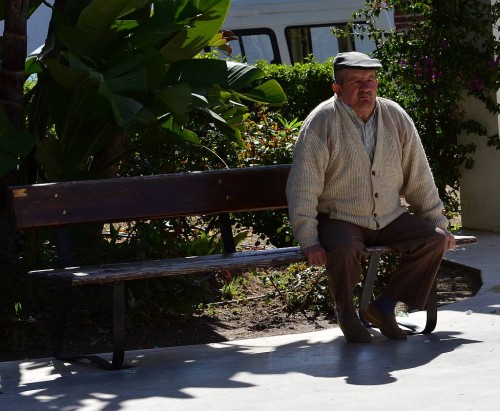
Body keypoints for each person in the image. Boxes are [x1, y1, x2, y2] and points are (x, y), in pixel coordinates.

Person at [286, 51, 456, 343]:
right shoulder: (321, 122)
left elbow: (419, 175)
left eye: (371, 80)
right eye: (356, 82)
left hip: (389, 216)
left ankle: (384, 308)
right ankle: (347, 314)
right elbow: (303, 184)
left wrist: (438, 221)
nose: (366, 88)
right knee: (342, 248)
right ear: (337, 88)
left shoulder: (395, 116)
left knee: (434, 240)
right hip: (340, 217)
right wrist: (309, 239)